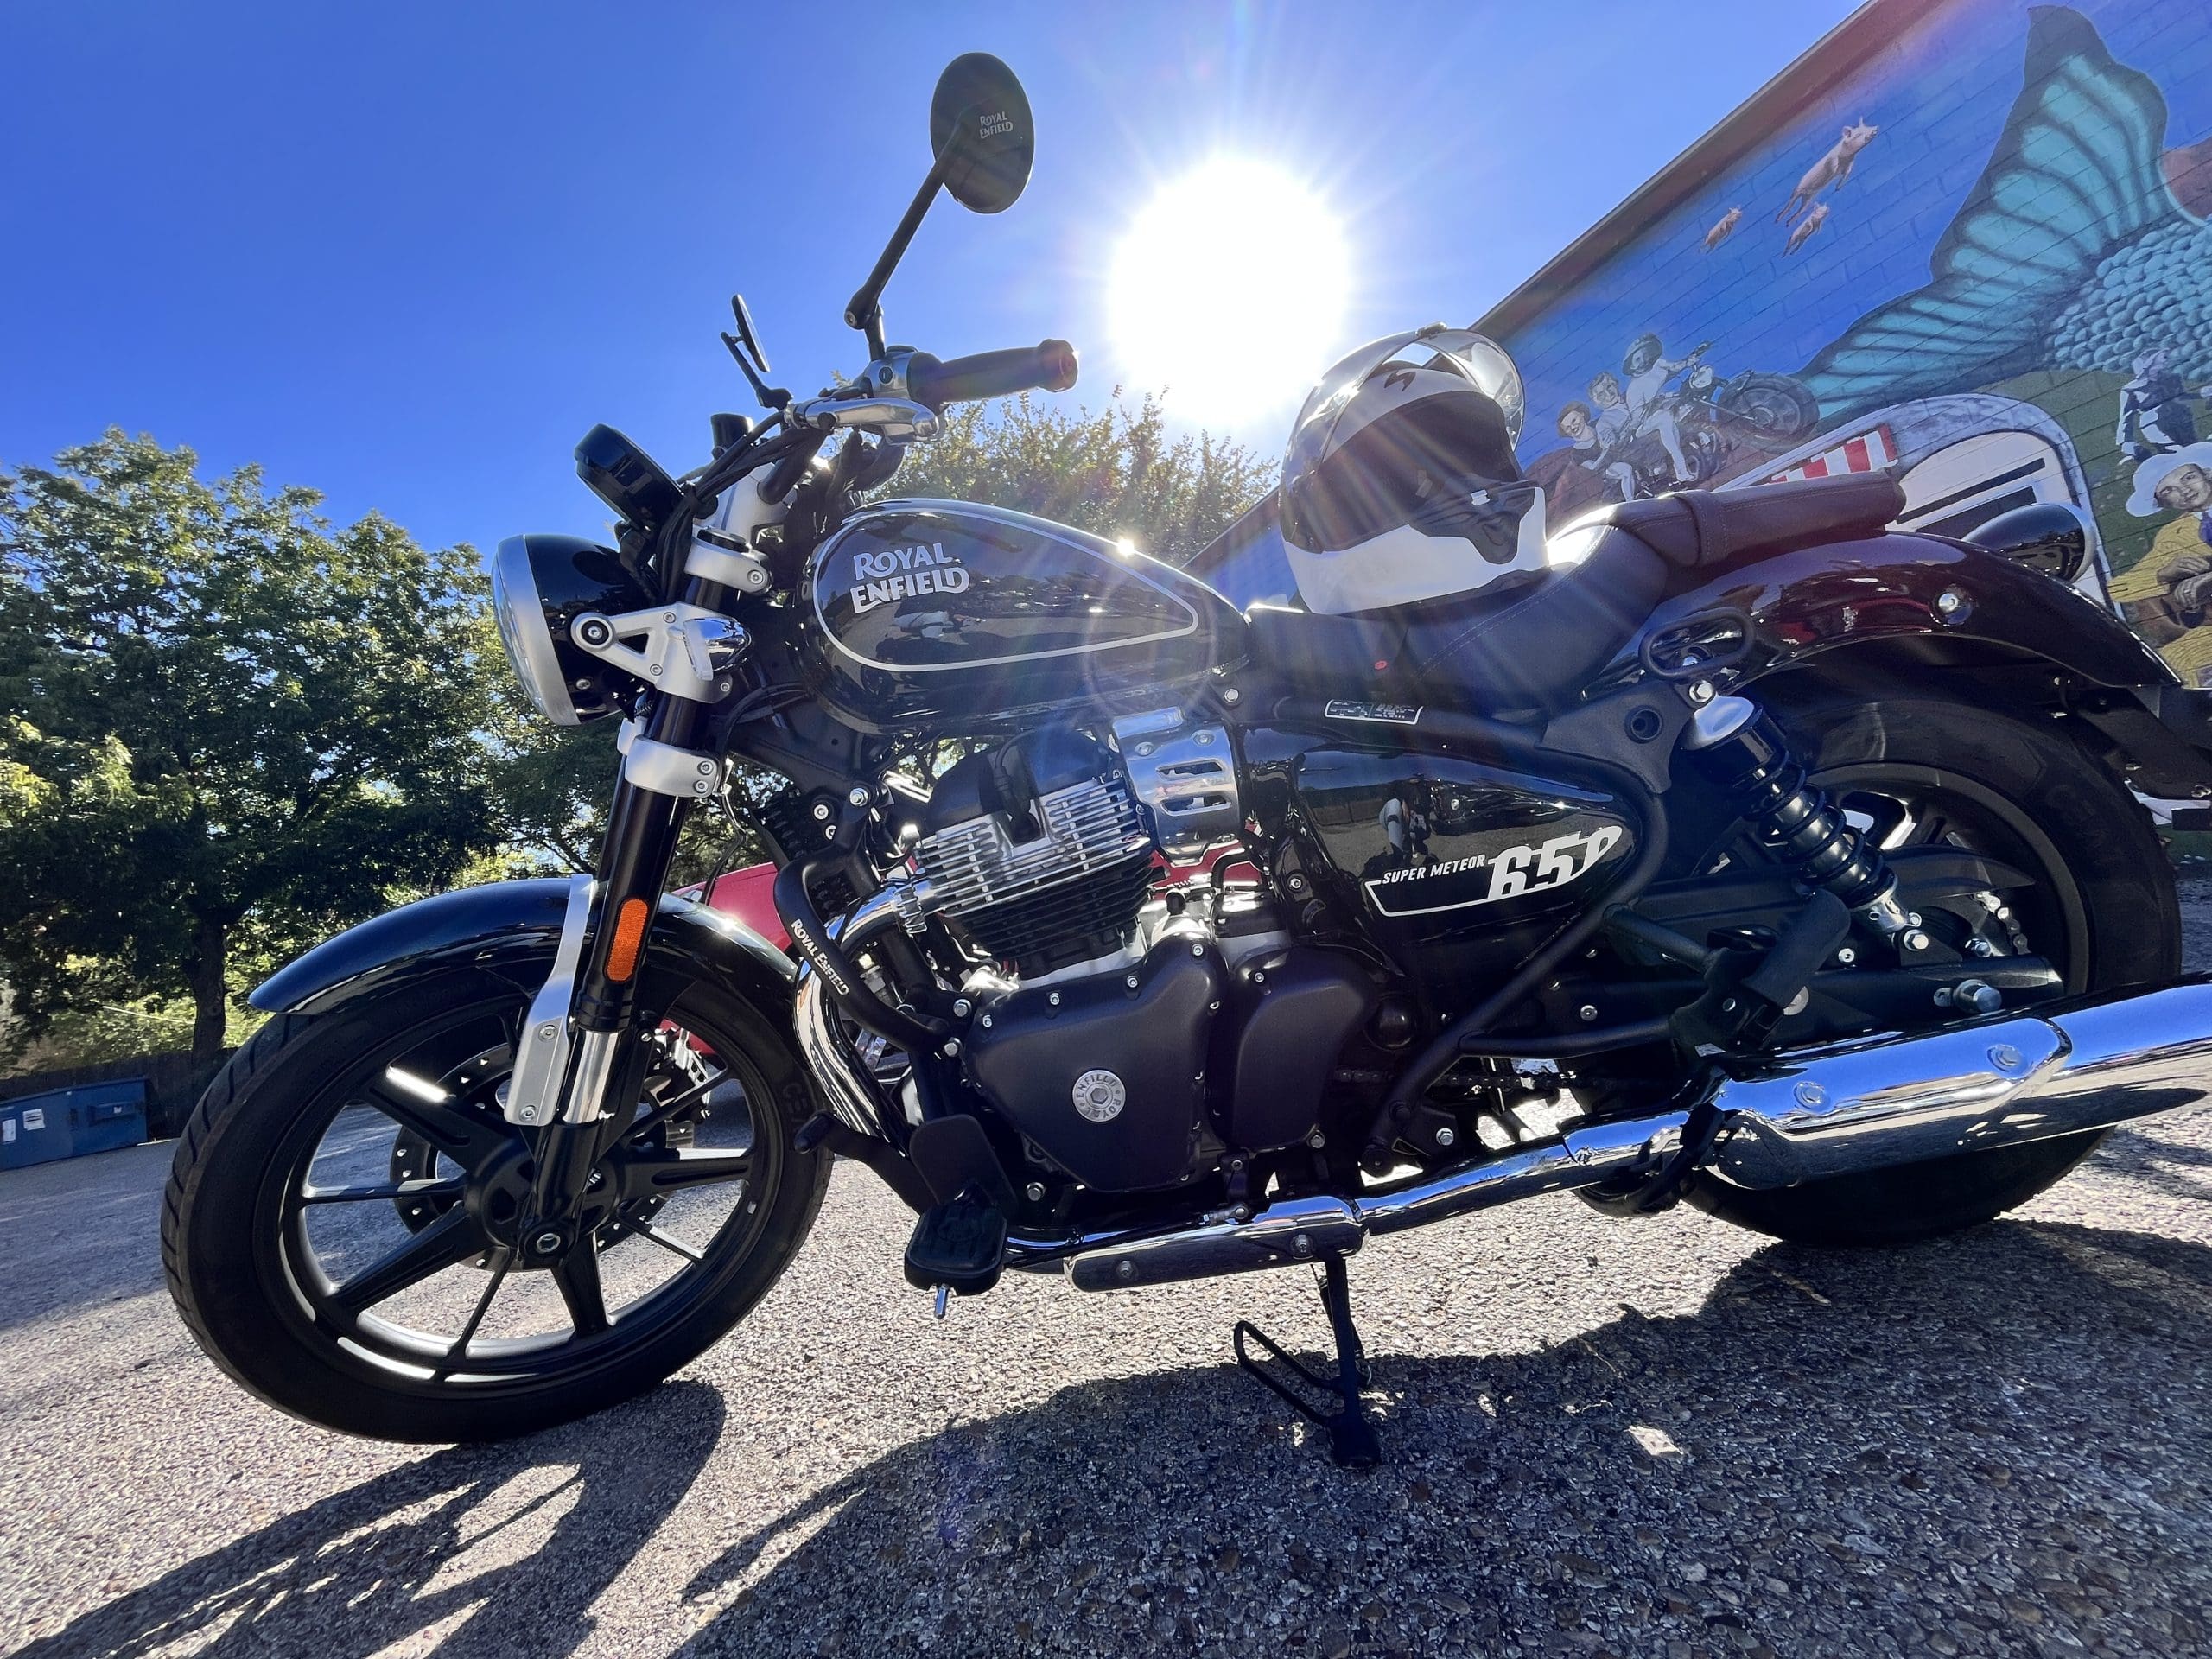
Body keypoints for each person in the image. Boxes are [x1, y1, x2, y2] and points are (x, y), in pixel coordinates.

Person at [1620, 333, 1707, 484]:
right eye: (1638, 360)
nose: (1643, 361)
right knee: (1664, 418)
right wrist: (1656, 402)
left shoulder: (1658, 365)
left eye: (1645, 355)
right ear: (1631, 366)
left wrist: (1692, 357)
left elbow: (1676, 367)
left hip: (1663, 410)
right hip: (1644, 426)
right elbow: (1638, 417)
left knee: (1684, 405)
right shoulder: (1634, 388)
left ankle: (1701, 436)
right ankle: (1681, 470)